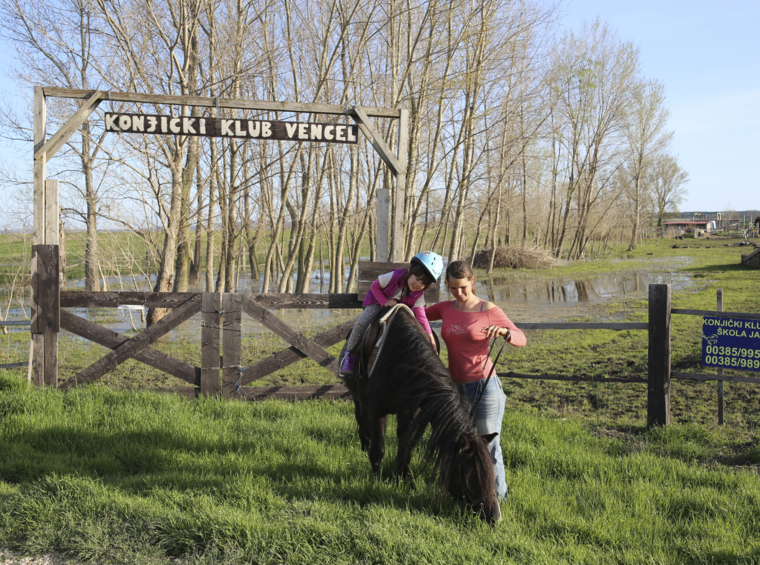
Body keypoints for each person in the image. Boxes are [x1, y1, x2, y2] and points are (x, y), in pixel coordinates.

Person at [425, 260, 526, 501]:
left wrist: (505, 333)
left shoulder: (488, 309)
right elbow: (416, 313)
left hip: (485, 386)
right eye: (452, 288)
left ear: (472, 281)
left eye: (463, 287)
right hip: (455, 389)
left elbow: (521, 338)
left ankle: (499, 498)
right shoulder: (445, 308)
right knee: (461, 446)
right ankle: (463, 494)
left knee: (489, 446)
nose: (458, 293)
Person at [340, 251, 444, 376]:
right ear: (410, 270)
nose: (418, 285)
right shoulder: (394, 276)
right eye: (417, 279)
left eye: (424, 284)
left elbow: (421, 315)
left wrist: (430, 338)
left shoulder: (418, 294)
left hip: (399, 309)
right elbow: (374, 286)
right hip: (377, 302)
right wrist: (385, 301)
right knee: (361, 323)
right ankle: (350, 356)